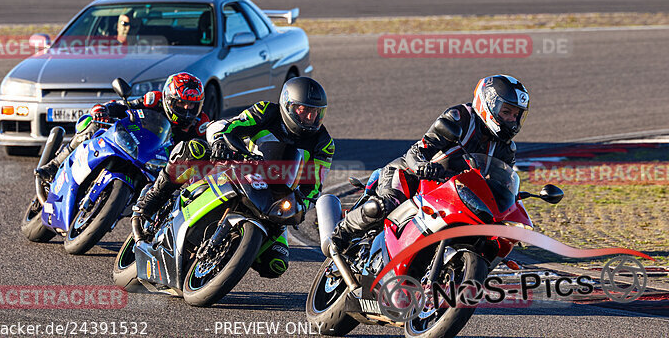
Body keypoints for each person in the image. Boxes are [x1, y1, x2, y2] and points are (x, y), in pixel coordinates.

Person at [329, 74, 529, 252]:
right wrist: (421, 166)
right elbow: (417, 151)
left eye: (516, 115)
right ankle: (342, 233)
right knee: (386, 204)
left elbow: (499, 185)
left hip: (451, 196)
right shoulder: (460, 118)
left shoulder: (506, 149)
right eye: (506, 111)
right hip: (412, 176)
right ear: (488, 104)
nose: (512, 119)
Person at [164, 76, 333, 279]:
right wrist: (223, 142)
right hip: (239, 170)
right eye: (303, 110)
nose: (309, 117)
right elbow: (231, 127)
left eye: (315, 112)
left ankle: (228, 255)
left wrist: (303, 203)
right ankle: (149, 202)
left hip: (276, 195)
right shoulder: (266, 111)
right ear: (288, 105)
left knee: (276, 264)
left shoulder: (324, 143)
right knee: (194, 151)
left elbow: (314, 183)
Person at [35, 72, 209, 182]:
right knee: (93, 123)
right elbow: (125, 105)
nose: (187, 109)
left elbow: (207, 150)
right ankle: (54, 165)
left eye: (192, 105)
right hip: (133, 142)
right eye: (181, 103)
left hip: (158, 165)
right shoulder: (154, 100)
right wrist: (104, 109)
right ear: (169, 99)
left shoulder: (200, 123)